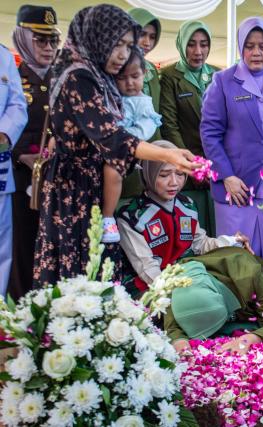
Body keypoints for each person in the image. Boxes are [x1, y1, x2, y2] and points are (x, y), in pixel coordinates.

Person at [33, 5, 195, 287]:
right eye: (117, 43)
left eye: (128, 45)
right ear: (98, 37)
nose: (122, 54)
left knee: (98, 274)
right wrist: (167, 154)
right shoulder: (79, 76)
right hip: (74, 190)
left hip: (91, 184)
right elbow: (112, 137)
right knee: (77, 277)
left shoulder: (99, 75)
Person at [116, 141, 263, 355]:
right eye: (164, 175)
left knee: (234, 291)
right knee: (177, 317)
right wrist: (178, 298)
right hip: (153, 287)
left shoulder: (186, 205)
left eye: (180, 174)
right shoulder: (131, 217)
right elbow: (147, 269)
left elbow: (200, 244)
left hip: (192, 277)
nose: (174, 182)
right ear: (147, 174)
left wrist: (230, 240)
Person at [201, 17, 263, 284]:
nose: (256, 52)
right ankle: (238, 309)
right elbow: (210, 132)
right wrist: (226, 176)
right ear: (240, 48)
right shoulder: (223, 81)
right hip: (236, 186)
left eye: (262, 46)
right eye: (249, 46)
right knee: (237, 255)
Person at [9, 5, 59, 299]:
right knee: (23, 247)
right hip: (20, 179)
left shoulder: (65, 80)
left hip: (58, 178)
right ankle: (22, 320)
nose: (49, 47)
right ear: (22, 38)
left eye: (53, 40)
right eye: (41, 40)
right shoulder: (10, 80)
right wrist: (19, 155)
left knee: (55, 247)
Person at [160, 20, 217, 236]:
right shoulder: (170, 76)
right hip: (185, 168)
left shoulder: (217, 75)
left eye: (204, 44)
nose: (198, 51)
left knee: (215, 229)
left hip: (216, 168)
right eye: (191, 44)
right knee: (189, 227)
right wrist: (191, 164)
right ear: (182, 45)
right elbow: (170, 124)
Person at [101, 47, 163, 243]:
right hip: (106, 144)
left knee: (113, 172)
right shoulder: (110, 96)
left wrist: (125, 138)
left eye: (135, 76)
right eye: (122, 78)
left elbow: (146, 128)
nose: (129, 83)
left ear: (144, 74)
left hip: (125, 148)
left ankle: (107, 217)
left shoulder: (142, 102)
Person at [122, 7, 163, 198]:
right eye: (142, 34)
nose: (147, 42)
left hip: (149, 156)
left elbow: (157, 114)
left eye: (152, 37)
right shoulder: (113, 66)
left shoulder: (152, 71)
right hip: (122, 152)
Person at [0, 45, 28, 297]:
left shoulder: (3, 56)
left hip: (1, 167)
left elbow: (17, 103)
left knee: (2, 251)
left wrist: (5, 133)